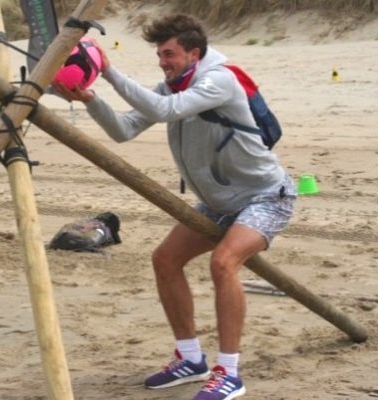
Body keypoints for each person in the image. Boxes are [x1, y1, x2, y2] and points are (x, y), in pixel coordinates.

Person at [53, 13, 296, 400]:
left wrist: (109, 72)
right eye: (159, 55)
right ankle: (190, 359)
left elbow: (166, 111)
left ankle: (229, 373)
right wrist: (92, 100)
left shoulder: (220, 80)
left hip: (265, 196)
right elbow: (124, 130)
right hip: (217, 203)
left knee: (223, 263)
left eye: (169, 54)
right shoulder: (171, 85)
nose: (162, 62)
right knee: (165, 260)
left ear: (194, 54)